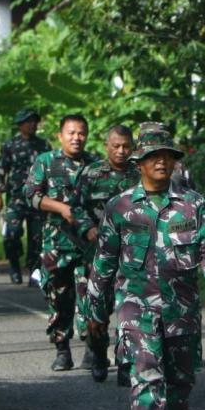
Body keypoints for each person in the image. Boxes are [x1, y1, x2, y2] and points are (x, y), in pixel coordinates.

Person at [87, 123, 205, 410]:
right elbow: (104, 262)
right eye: (153, 156)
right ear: (140, 162)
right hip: (136, 308)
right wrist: (94, 312)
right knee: (147, 375)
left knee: (180, 382)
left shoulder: (192, 204)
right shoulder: (120, 208)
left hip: (181, 310)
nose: (161, 162)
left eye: (167, 156)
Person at [25, 114, 99, 371]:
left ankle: (92, 348)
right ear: (60, 136)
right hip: (56, 245)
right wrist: (60, 208)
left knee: (91, 297)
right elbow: (32, 196)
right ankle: (62, 349)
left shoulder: (95, 164)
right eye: (71, 132)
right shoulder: (46, 162)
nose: (76, 138)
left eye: (81, 133)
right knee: (59, 298)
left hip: (88, 245)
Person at [72, 124, 140, 384]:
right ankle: (99, 355)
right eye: (116, 146)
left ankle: (125, 363)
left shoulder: (139, 174)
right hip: (99, 256)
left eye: (126, 147)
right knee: (97, 315)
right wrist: (87, 227)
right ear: (106, 146)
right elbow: (75, 207)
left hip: (133, 257)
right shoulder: (90, 174)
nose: (121, 151)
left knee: (130, 311)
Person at [0, 108, 52, 286]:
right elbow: (1, 170)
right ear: (20, 125)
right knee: (11, 234)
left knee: (38, 239)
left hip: (38, 199)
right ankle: (14, 265)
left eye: (34, 121)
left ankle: (34, 273)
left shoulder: (44, 146)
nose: (32, 124)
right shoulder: (10, 146)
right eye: (28, 121)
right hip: (16, 199)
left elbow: (51, 171)